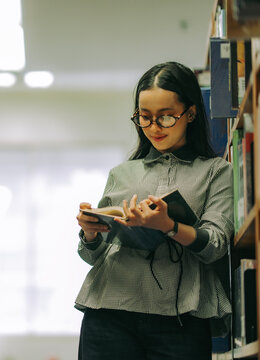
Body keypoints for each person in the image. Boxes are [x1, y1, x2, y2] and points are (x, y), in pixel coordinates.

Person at [75, 62, 233, 360]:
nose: (154, 127)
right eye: (144, 118)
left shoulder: (216, 172)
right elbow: (92, 257)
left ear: (191, 113)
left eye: (166, 117)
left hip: (180, 319)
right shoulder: (121, 172)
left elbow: (216, 246)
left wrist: (168, 226)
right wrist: (90, 233)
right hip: (109, 312)